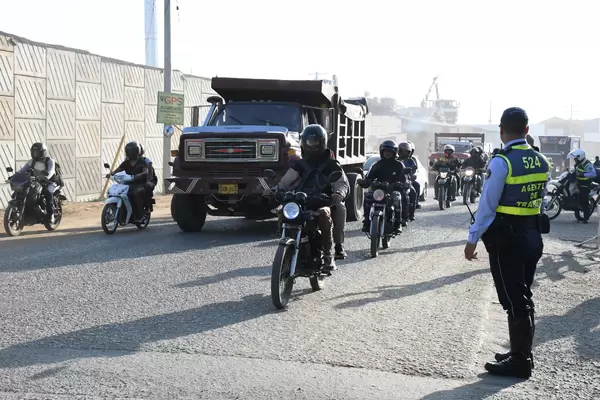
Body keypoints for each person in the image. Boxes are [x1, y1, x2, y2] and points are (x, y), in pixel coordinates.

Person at [465, 107, 551, 380]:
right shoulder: (541, 160)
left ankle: (520, 361)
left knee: (514, 301)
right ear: (527, 130)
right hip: (533, 237)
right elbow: (541, 199)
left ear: (501, 131)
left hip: (507, 241)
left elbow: (487, 206)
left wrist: (472, 238)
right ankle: (520, 352)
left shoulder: (502, 161)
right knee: (523, 297)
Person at [263, 124, 349, 270]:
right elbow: (285, 182)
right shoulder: (299, 164)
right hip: (301, 201)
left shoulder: (332, 164)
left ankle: (329, 254)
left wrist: (338, 194)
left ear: (322, 142)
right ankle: (285, 244)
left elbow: (341, 183)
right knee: (282, 210)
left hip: (323, 201)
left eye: (315, 141)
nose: (312, 144)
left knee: (328, 212)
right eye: (309, 141)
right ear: (303, 142)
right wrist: (273, 190)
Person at [361, 140, 406, 232]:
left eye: (390, 152)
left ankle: (398, 223)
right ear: (382, 152)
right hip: (379, 191)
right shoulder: (377, 165)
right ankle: (366, 222)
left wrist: (402, 183)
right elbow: (369, 177)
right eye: (385, 151)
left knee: (397, 198)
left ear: (394, 153)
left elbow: (404, 178)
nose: (387, 153)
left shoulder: (399, 165)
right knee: (367, 197)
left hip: (393, 190)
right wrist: (365, 182)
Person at [107, 141, 151, 221]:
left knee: (134, 193)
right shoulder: (126, 162)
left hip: (140, 183)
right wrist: (111, 173)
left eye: (131, 151)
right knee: (118, 191)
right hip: (128, 183)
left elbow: (146, 171)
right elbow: (119, 169)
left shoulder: (141, 161)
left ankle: (140, 213)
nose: (130, 152)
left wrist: (139, 175)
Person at [17, 143, 58, 223]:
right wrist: (15, 176)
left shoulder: (49, 161)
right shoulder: (31, 162)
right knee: (24, 192)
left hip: (49, 182)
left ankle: (51, 215)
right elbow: (22, 171)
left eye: (37, 153)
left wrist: (46, 177)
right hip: (36, 182)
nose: (35, 155)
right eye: (34, 152)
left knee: (48, 192)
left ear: (43, 152)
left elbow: (51, 171)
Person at [567, 149, 596, 224]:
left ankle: (586, 219)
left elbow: (593, 173)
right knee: (576, 200)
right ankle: (578, 217)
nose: (575, 160)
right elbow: (576, 171)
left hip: (585, 185)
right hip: (578, 184)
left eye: (575, 159)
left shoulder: (587, 164)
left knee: (584, 202)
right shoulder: (579, 164)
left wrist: (583, 174)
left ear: (580, 157)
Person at [398, 141, 422, 211]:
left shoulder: (411, 161)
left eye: (406, 151)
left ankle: (414, 206)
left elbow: (414, 169)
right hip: (396, 180)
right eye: (402, 151)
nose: (403, 153)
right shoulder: (396, 159)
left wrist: (412, 175)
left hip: (407, 180)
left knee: (416, 186)